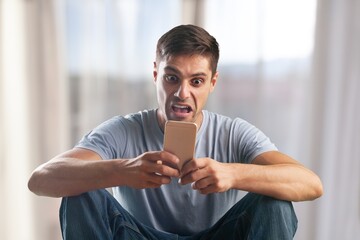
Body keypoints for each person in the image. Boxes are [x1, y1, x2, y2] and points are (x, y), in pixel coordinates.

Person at [28, 24, 323, 240]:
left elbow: (310, 184)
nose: (182, 93)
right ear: (156, 75)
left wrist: (234, 174)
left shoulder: (234, 133)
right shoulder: (124, 130)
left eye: (196, 81)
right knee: (79, 193)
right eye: (172, 78)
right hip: (139, 236)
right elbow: (41, 179)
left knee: (274, 198)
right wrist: (122, 170)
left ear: (212, 83)